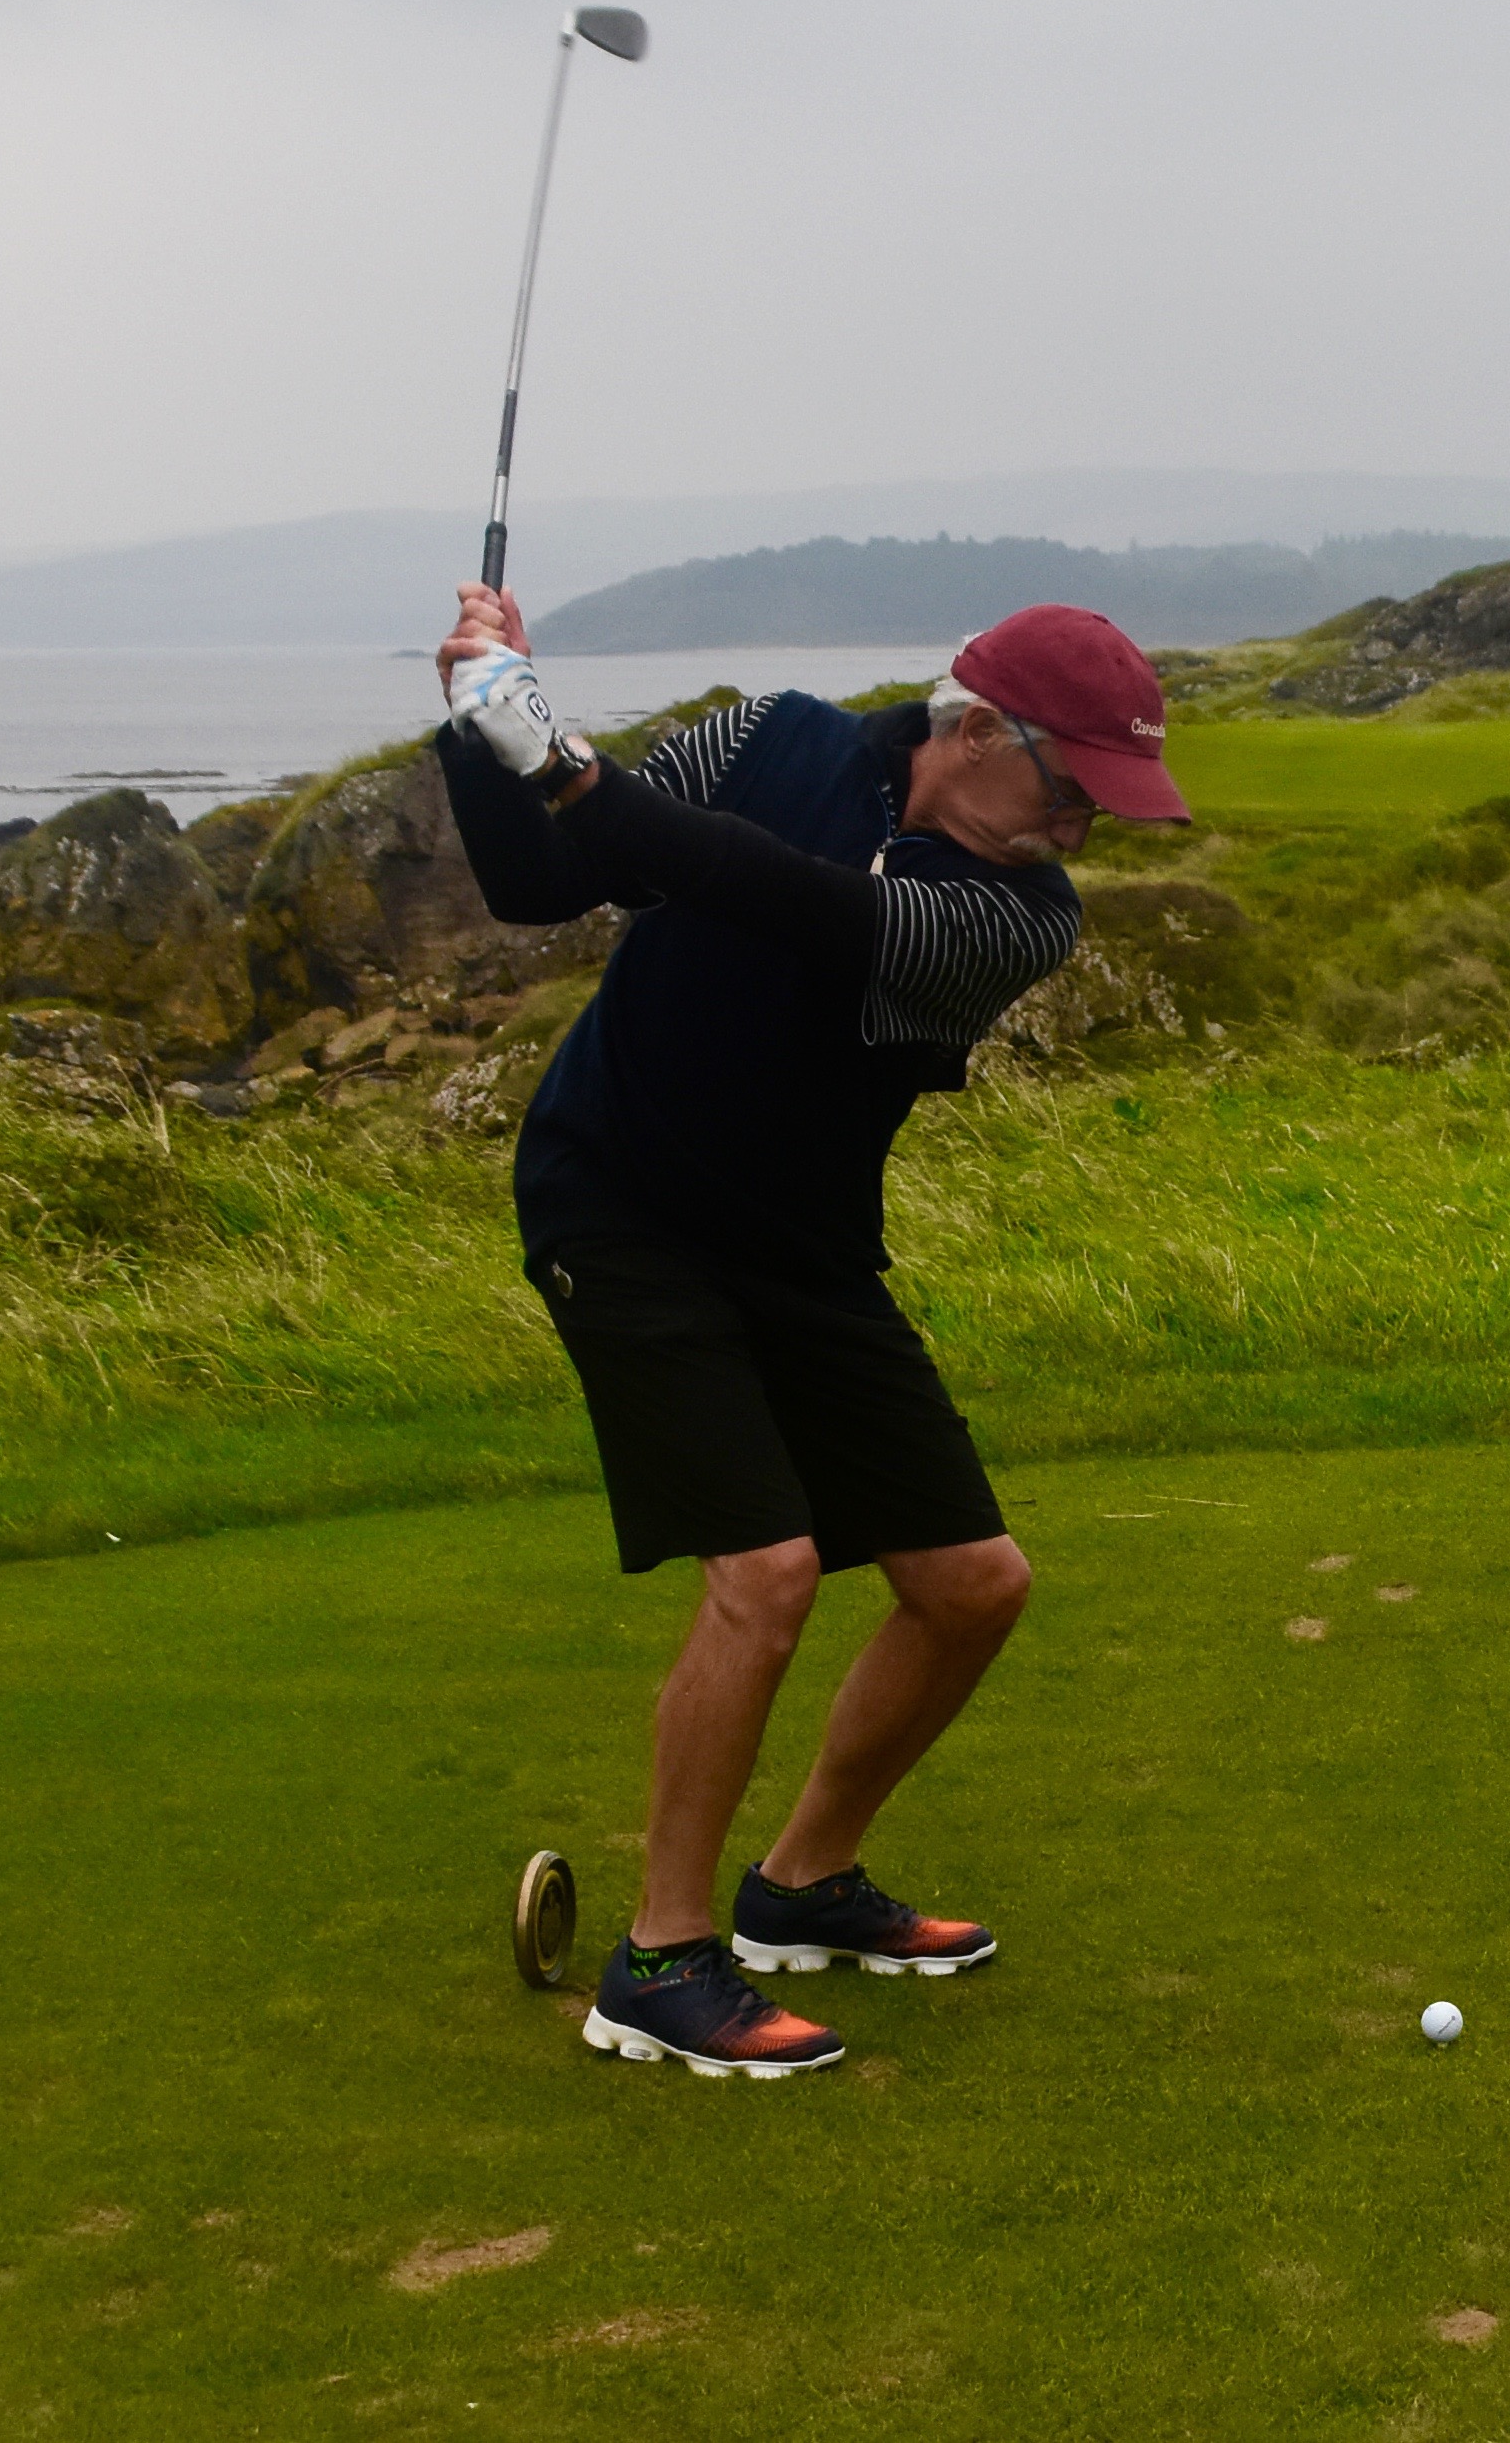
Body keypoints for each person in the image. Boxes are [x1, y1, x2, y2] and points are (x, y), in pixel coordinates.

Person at [433, 588, 1187, 2080]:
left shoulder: (1015, 916)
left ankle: (802, 1884)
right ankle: (659, 1958)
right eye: (1073, 788)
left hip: (805, 1252)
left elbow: (787, 901)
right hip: (619, 1206)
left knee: (973, 1585)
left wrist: (569, 759)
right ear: (976, 730)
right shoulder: (766, 733)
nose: (1084, 829)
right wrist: (476, 721)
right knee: (766, 1571)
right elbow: (537, 880)